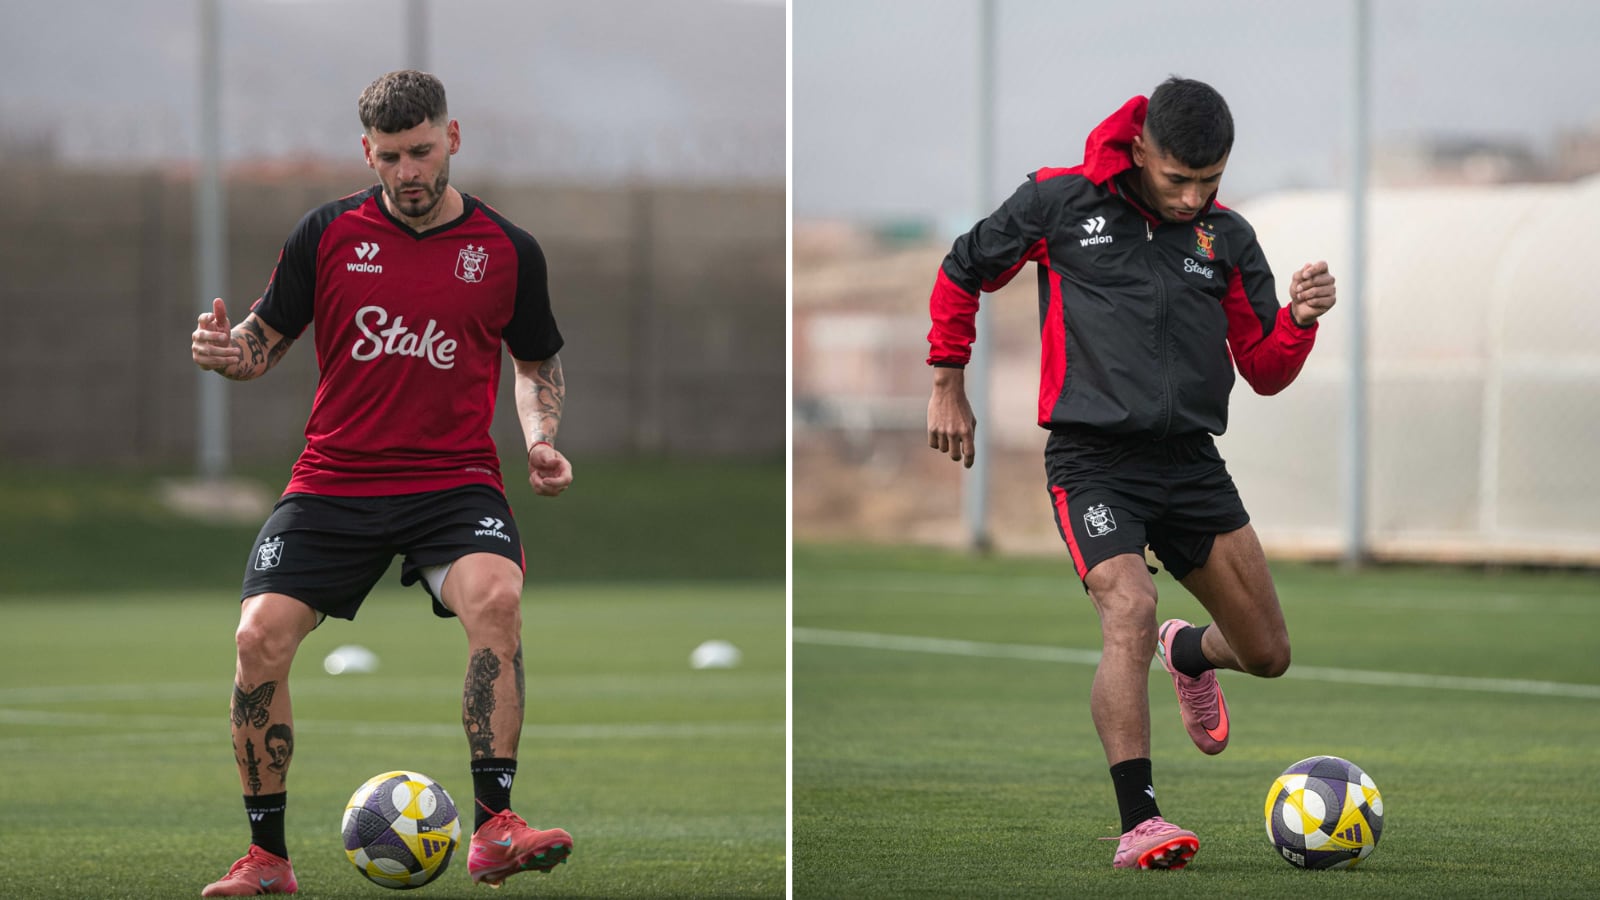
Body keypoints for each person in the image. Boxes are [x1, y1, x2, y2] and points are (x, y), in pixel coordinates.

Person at [924, 76, 1336, 870]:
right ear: (1141, 145)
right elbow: (964, 265)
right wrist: (948, 379)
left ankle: (1189, 657)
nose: (1192, 198)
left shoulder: (1229, 240)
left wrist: (1298, 321)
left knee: (1268, 653)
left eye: (1209, 182)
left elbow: (1263, 370)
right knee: (1129, 607)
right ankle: (1140, 820)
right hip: (1093, 461)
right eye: (1179, 179)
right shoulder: (1059, 201)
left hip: (1190, 465)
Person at [192, 70, 575, 896]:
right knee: (257, 638)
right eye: (391, 156)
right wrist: (231, 355)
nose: (408, 171)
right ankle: (266, 860)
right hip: (335, 477)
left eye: (423, 151)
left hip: (454, 482)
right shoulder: (325, 234)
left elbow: (535, 358)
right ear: (368, 151)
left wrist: (541, 438)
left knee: (497, 601)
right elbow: (264, 338)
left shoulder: (507, 249)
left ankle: (496, 828)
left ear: (454, 139)